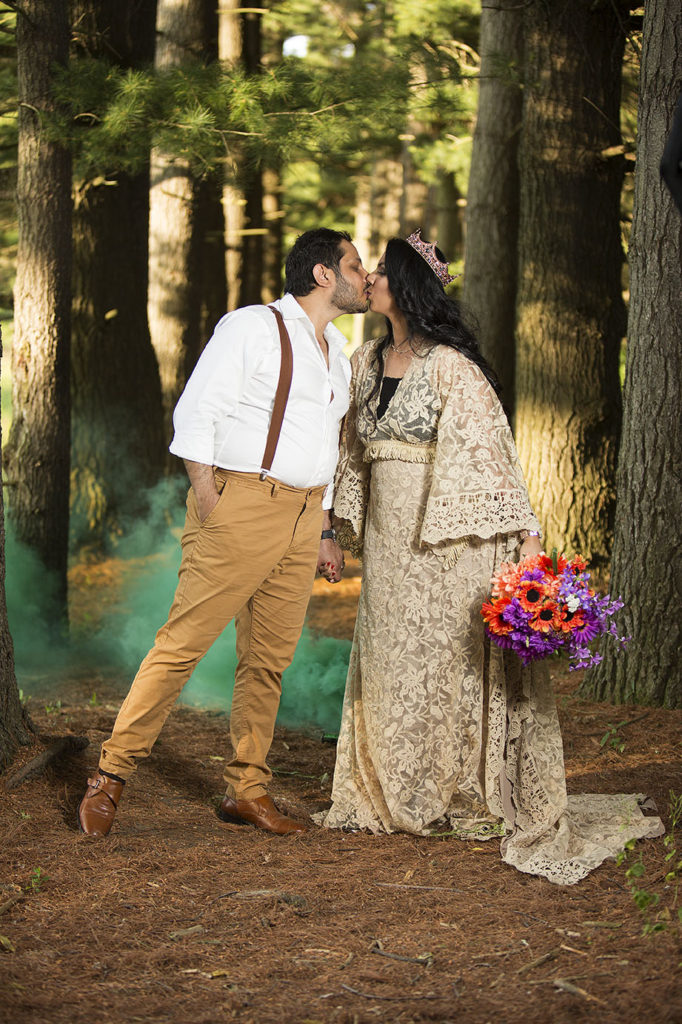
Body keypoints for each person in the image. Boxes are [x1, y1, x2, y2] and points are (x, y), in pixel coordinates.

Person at [318, 230, 663, 884]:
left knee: (449, 661)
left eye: (382, 273)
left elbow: (493, 459)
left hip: (454, 543)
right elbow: (344, 451)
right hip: (390, 547)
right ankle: (387, 791)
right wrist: (328, 524)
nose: (370, 281)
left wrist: (529, 543)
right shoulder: (361, 362)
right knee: (392, 662)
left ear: (407, 287)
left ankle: (457, 788)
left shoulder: (453, 367)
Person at [78, 228, 368, 838]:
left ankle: (247, 789)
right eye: (355, 264)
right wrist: (213, 500)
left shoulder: (338, 352)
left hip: (302, 517)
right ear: (322, 274)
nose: (364, 276)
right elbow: (196, 414)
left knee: (268, 661)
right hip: (243, 503)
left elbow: (327, 449)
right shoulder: (251, 328)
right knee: (182, 645)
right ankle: (110, 774)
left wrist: (322, 527)